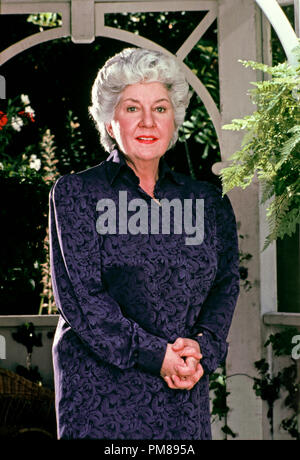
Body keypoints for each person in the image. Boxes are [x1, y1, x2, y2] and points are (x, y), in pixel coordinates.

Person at [50, 47, 240, 440]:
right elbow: (84, 299)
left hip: (181, 387)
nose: (148, 122)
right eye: (132, 108)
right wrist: (159, 357)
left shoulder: (208, 201)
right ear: (109, 122)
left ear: (175, 120)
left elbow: (225, 284)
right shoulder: (76, 195)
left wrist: (201, 347)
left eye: (161, 108)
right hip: (101, 394)